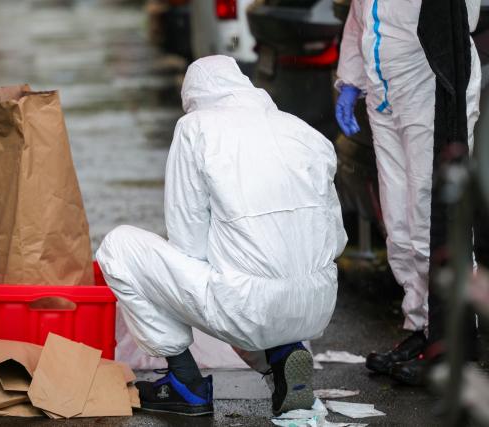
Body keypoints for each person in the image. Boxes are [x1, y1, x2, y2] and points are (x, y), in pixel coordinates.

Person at [97, 55, 347, 416]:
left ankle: (185, 383)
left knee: (118, 248)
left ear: (194, 98)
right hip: (318, 303)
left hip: (248, 308)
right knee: (257, 277)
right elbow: (335, 239)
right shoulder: (304, 132)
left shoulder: (195, 128)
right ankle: (283, 360)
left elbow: (188, 242)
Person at [335, 0, 481, 383]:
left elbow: (457, 19)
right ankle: (420, 328)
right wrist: (350, 80)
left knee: (430, 220)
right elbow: (358, 18)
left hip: (433, 88)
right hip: (386, 94)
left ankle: (449, 341)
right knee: (399, 224)